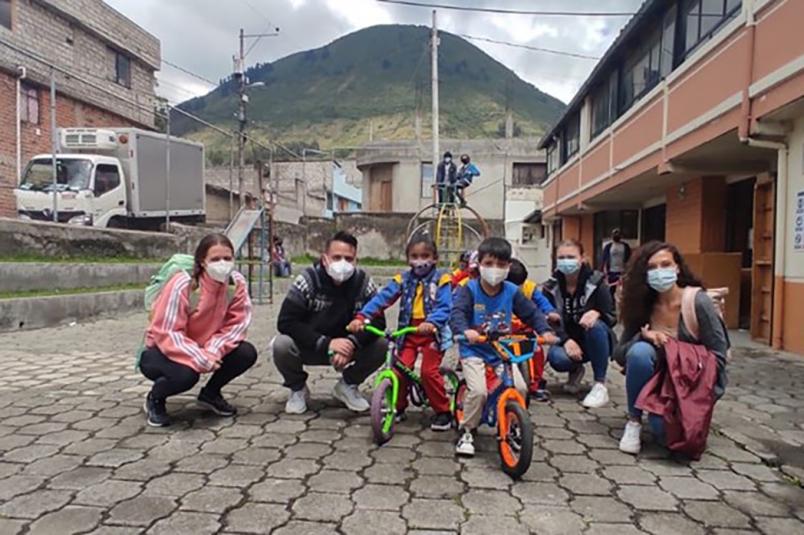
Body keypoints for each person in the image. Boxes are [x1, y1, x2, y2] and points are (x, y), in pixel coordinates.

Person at [614, 241, 728, 455]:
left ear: (677, 267)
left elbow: (719, 357)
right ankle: (634, 421)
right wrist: (644, 336)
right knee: (639, 352)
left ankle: (670, 416)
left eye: (665, 265)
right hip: (656, 380)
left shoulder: (698, 302)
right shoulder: (641, 305)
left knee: (664, 433)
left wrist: (700, 401)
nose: (659, 272)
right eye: (652, 268)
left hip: (689, 383)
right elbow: (620, 355)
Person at [451, 237, 559, 457]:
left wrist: (545, 331)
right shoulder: (470, 289)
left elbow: (531, 312)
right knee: (479, 391)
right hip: (474, 350)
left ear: (509, 266)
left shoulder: (511, 291)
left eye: (501, 265)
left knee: (519, 387)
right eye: (489, 264)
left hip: (501, 350)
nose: (495, 270)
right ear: (479, 264)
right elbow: (457, 314)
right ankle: (468, 431)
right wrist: (465, 331)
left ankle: (512, 421)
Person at [140, 233, 257, 427]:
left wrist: (213, 350)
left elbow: (236, 325)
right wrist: (199, 357)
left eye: (227, 258)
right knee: (187, 375)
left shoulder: (236, 284)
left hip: (205, 347)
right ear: (203, 261)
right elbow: (167, 331)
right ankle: (155, 398)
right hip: (163, 350)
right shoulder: (183, 284)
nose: (222, 264)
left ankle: (210, 394)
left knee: (246, 353)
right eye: (215, 259)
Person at [348, 233, 453, 430]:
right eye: (414, 256)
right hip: (408, 332)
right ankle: (397, 407)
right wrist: (362, 317)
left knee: (428, 372)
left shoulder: (442, 279)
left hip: (432, 334)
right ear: (408, 259)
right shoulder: (402, 280)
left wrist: (432, 322)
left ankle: (443, 411)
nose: (420, 261)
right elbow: (382, 299)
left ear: (435, 258)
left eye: (425, 256)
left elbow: (445, 306)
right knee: (399, 370)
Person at [274, 231, 387, 414]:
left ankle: (348, 385)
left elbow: (378, 321)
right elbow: (286, 322)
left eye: (348, 258)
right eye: (336, 257)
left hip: (348, 350)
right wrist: (328, 343)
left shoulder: (363, 282)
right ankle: (297, 388)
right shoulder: (308, 279)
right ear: (325, 259)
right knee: (281, 345)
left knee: (382, 344)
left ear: (356, 260)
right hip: (313, 346)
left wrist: (351, 342)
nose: (342, 263)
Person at [543, 240, 616, 409]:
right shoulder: (550, 287)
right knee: (557, 359)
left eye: (571, 257)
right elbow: (547, 320)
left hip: (596, 340)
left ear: (582, 258)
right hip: (567, 341)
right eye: (561, 257)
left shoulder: (596, 282)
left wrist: (597, 312)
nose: (566, 261)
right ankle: (575, 370)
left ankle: (600, 384)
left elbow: (612, 316)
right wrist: (566, 340)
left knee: (595, 326)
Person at [600, 229, 631, 299]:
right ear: (612, 236)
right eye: (615, 234)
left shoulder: (625, 246)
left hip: (622, 271)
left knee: (623, 290)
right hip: (611, 272)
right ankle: (611, 305)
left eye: (618, 234)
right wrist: (603, 272)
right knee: (611, 289)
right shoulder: (608, 246)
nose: (616, 236)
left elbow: (629, 259)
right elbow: (604, 260)